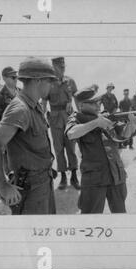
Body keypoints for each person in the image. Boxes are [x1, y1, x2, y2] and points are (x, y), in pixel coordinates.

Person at [0, 57, 58, 215]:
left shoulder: (34, 105)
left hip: (43, 182)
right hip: (30, 188)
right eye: (49, 80)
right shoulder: (21, 109)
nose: (52, 85)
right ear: (38, 80)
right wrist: (2, 185)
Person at [65, 86, 132, 214]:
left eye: (98, 102)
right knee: (91, 217)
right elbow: (71, 133)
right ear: (81, 105)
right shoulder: (76, 118)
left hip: (115, 174)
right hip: (94, 179)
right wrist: (96, 123)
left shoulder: (105, 116)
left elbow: (123, 135)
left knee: (120, 214)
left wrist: (131, 125)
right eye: (92, 103)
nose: (97, 106)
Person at [42, 56, 79, 190]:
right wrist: (41, 117)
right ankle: (63, 176)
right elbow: (44, 102)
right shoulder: (48, 82)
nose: (62, 68)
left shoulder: (70, 81)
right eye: (59, 66)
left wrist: (80, 115)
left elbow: (77, 98)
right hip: (55, 117)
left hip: (69, 117)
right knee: (58, 148)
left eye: (63, 65)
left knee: (71, 146)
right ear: (54, 67)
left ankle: (74, 176)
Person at [0, 66, 21, 174]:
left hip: (21, 134)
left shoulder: (21, 93)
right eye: (12, 77)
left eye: (16, 77)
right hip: (7, 135)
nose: (15, 79)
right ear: (4, 78)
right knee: (10, 166)